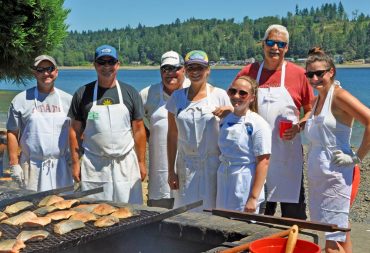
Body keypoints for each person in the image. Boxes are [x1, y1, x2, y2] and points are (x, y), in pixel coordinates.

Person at [235, 24, 314, 219]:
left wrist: (299, 126)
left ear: (287, 48)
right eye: (270, 42)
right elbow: (235, 100)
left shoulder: (298, 74)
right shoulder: (249, 71)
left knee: (293, 217)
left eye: (281, 44)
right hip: (256, 154)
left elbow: (311, 110)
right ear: (263, 45)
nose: (275, 48)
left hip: (288, 154)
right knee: (258, 215)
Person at [304, 47, 370, 253]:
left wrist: (357, 157)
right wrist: (299, 125)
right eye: (310, 74)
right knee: (341, 232)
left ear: (331, 71)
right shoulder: (317, 100)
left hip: (336, 174)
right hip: (319, 175)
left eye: (319, 73)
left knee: (332, 239)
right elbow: (320, 128)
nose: (314, 79)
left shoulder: (339, 96)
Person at [68, 45, 146, 204]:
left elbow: (138, 130)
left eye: (111, 62)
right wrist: (76, 163)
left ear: (118, 64)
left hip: (125, 164)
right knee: (94, 213)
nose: (106, 67)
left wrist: (141, 162)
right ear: (95, 65)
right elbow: (74, 131)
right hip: (94, 165)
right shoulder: (82, 93)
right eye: (101, 62)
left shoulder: (130, 92)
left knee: (130, 212)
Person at [166, 50, 232, 211]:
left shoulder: (220, 95)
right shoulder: (177, 97)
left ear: (208, 70)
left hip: (212, 166)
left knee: (211, 212)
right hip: (185, 165)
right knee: (184, 213)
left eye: (200, 68)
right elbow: (172, 135)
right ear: (185, 71)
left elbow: (235, 127)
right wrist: (171, 171)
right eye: (191, 68)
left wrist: (230, 111)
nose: (195, 72)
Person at [6, 55, 73, 191]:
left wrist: (76, 160)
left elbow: (75, 132)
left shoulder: (69, 100)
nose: (46, 73)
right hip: (31, 168)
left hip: (62, 166)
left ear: (56, 72)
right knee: (32, 209)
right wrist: (14, 164)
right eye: (40, 70)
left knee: (62, 208)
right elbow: (12, 132)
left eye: (50, 69)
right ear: (34, 73)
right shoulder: (20, 100)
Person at [140, 51, 190, 208]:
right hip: (159, 174)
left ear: (184, 69)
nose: (170, 73)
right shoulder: (147, 94)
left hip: (190, 172)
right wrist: (149, 135)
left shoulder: (195, 90)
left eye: (174, 68)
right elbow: (135, 123)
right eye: (165, 69)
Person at [217, 76, 271, 213]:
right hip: (224, 177)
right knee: (222, 222)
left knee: (242, 226)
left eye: (243, 93)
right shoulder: (225, 120)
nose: (236, 96)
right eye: (232, 91)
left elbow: (263, 162)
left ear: (252, 97)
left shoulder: (258, 124)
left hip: (245, 179)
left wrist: (253, 197)